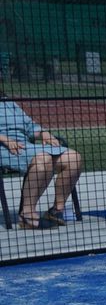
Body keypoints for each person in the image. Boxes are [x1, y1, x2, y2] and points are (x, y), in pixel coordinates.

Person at [0, 86, 83, 227]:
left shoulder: (8, 102)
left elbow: (30, 126)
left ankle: (56, 211)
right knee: (43, 158)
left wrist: (44, 133)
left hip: (24, 146)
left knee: (74, 158)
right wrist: (5, 139)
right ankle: (27, 213)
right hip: (4, 148)